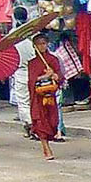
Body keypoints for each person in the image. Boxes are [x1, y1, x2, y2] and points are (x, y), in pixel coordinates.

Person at [26, 32, 63, 160]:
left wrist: (54, 75)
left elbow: (60, 78)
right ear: (34, 46)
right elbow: (31, 81)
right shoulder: (32, 63)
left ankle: (49, 140)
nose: (42, 47)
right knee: (41, 122)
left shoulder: (53, 60)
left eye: (44, 44)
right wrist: (43, 77)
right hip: (38, 98)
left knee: (53, 122)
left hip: (50, 96)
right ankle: (46, 148)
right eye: (39, 44)